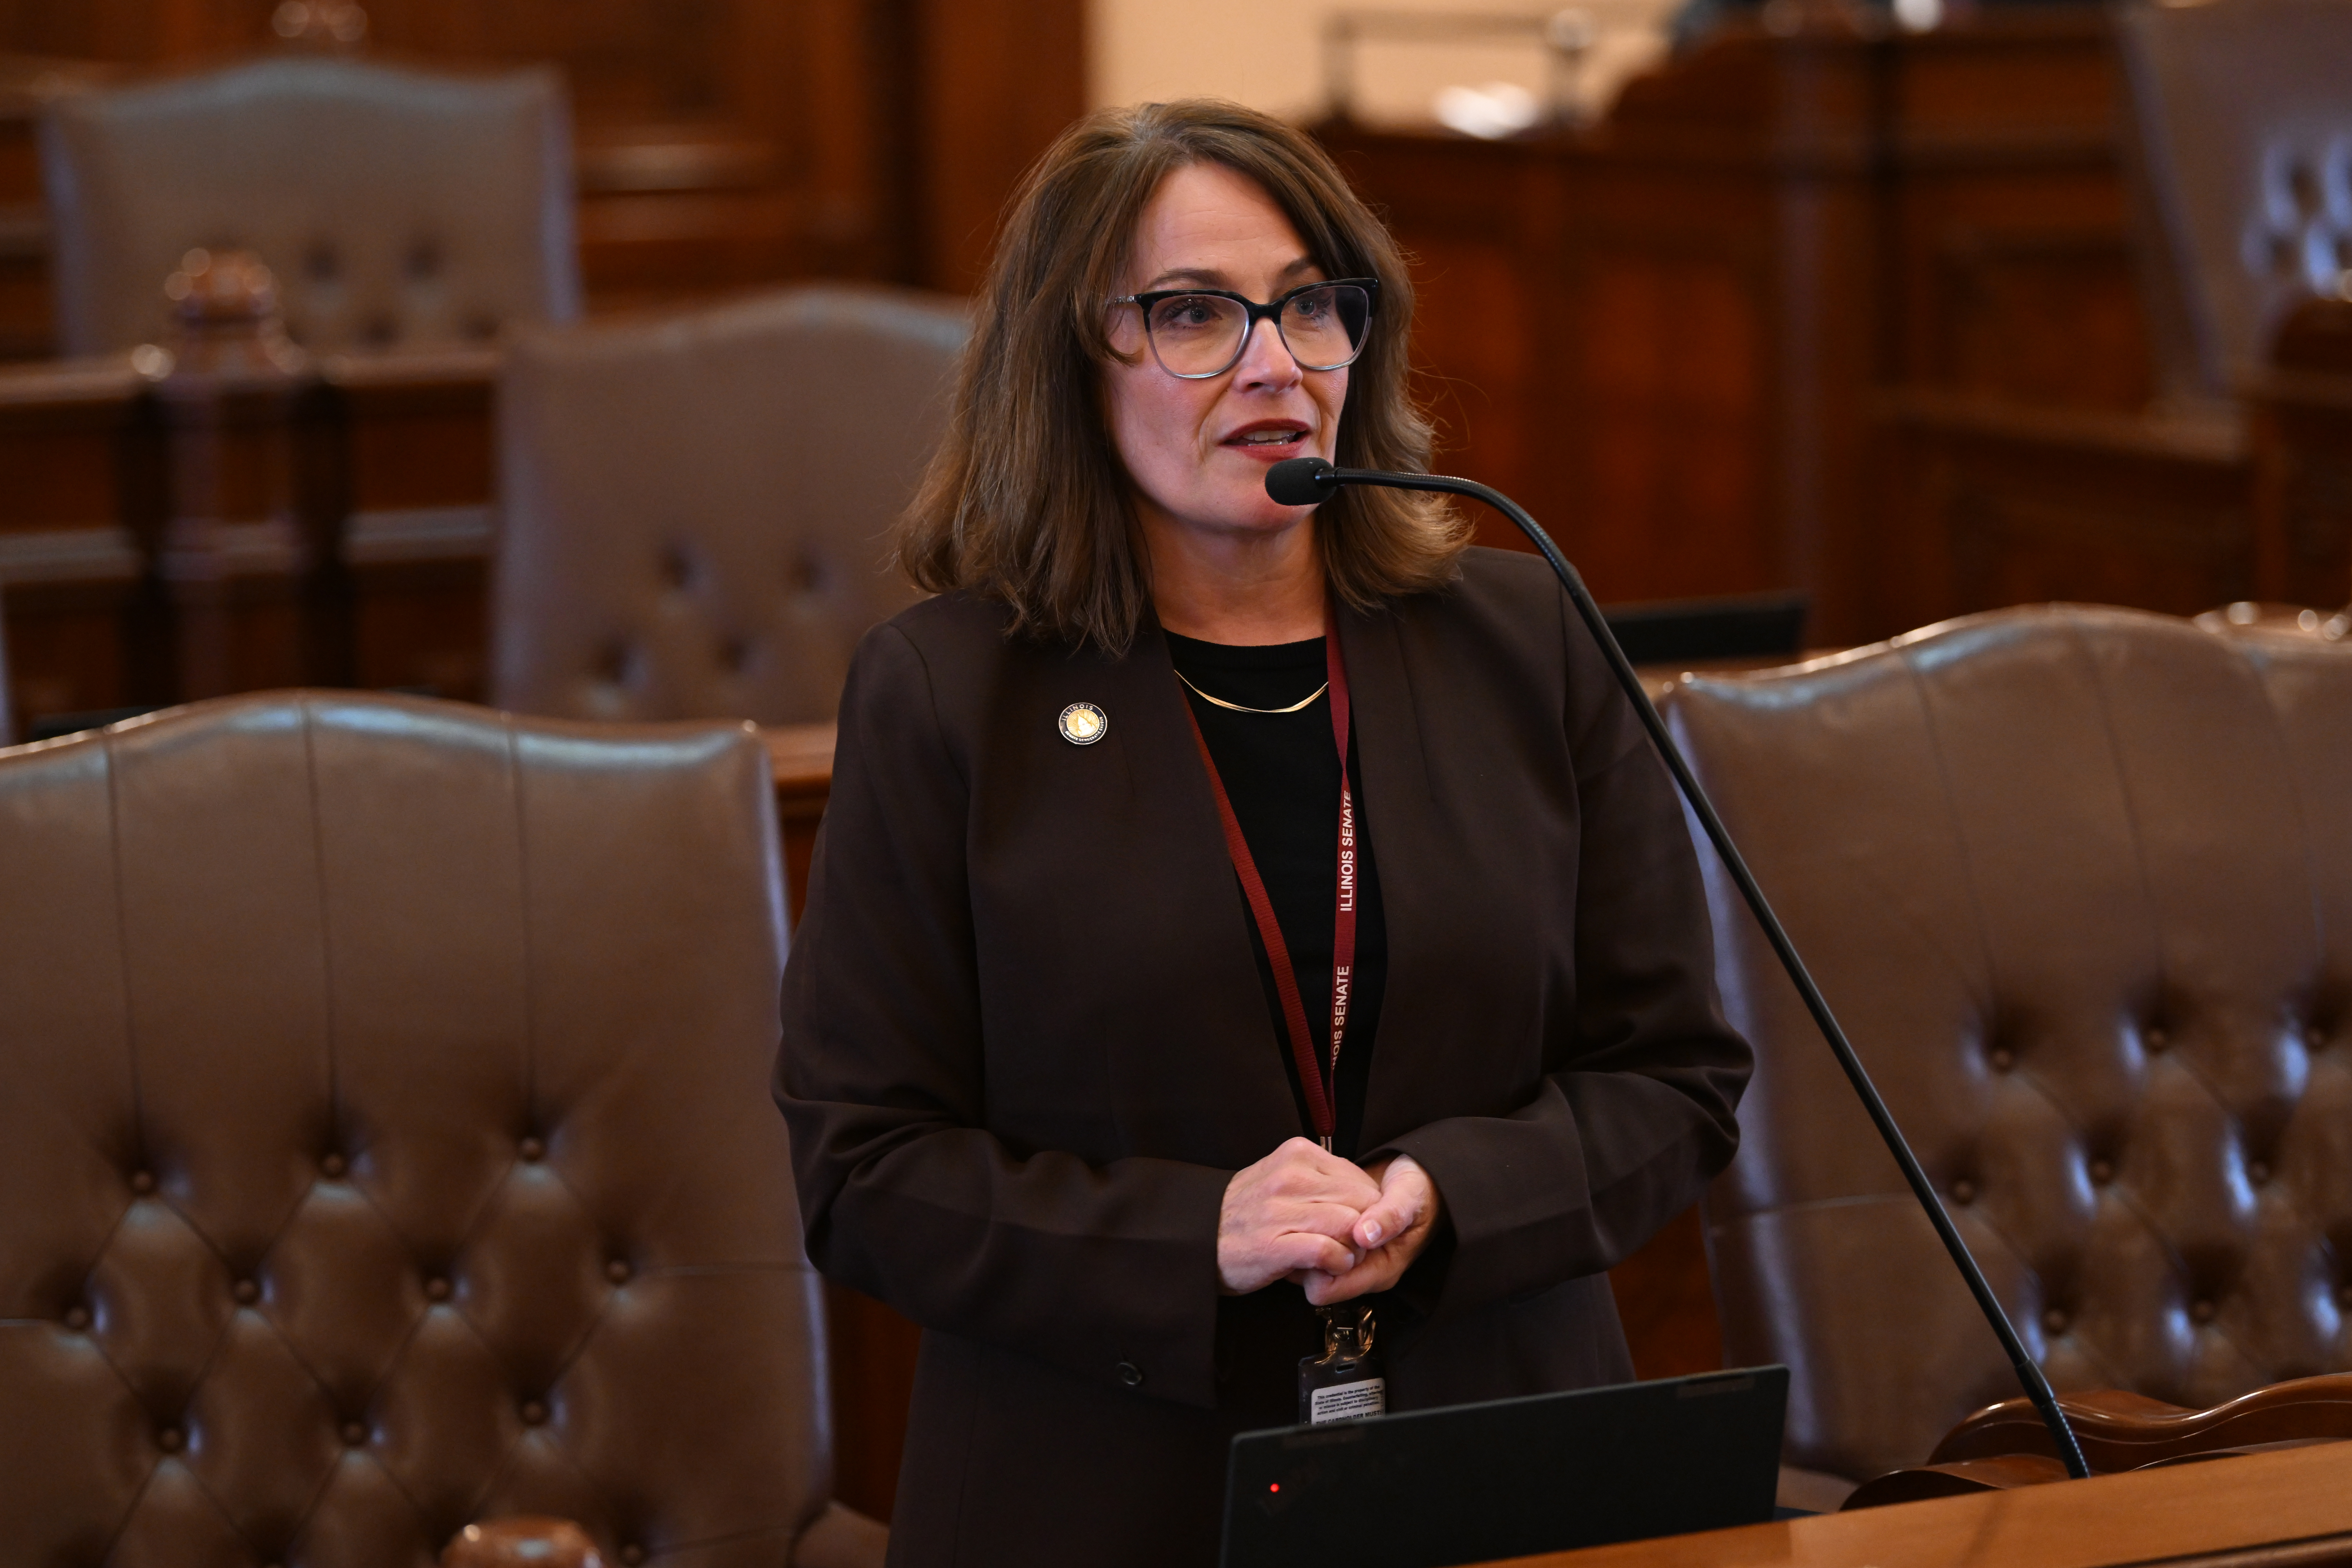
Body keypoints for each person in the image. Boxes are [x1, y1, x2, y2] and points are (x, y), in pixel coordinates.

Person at [774, 98, 1751, 1567]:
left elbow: (1673, 1076)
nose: (1270, 363)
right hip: (1106, 1491)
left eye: (1309, 305)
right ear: (1067, 364)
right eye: (1189, 315)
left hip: (1499, 1462)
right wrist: (1196, 1237)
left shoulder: (1522, 637)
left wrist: (1457, 1194)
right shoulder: (946, 696)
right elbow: (863, 1172)